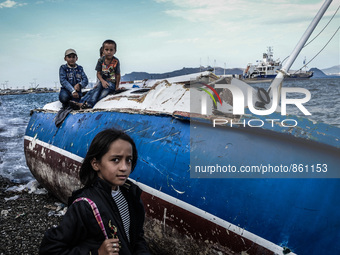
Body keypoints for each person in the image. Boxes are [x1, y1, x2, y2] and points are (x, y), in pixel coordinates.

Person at [39, 128, 150, 255]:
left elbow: (136, 238)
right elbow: (50, 249)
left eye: (128, 160)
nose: (124, 167)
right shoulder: (84, 205)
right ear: (95, 164)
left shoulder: (131, 195)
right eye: (115, 160)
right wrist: (97, 252)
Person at [80, 40, 123, 109]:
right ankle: (87, 104)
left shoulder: (116, 61)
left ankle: (90, 104)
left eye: (111, 50)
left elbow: (118, 74)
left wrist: (117, 86)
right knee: (96, 91)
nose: (109, 52)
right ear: (103, 50)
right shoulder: (100, 60)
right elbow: (98, 73)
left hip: (111, 83)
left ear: (115, 51)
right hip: (102, 81)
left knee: (103, 94)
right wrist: (102, 81)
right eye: (106, 50)